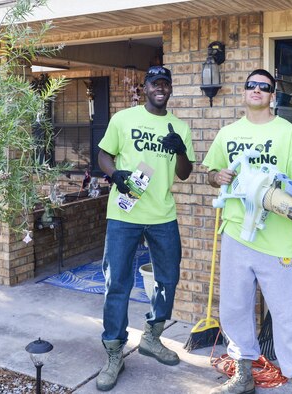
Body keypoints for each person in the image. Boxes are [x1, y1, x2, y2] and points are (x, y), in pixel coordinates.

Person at [202, 69, 292, 394]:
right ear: (243, 92)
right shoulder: (227, 133)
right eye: (251, 85)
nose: (256, 90)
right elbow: (210, 173)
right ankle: (243, 374)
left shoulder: (289, 134)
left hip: (279, 240)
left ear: (272, 96)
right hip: (237, 234)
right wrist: (217, 177)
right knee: (235, 308)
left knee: (289, 314)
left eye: (263, 87)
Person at [95, 65, 195, 391]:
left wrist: (180, 149)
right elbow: (103, 155)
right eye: (155, 83)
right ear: (145, 87)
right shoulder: (123, 119)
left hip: (162, 215)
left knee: (167, 278)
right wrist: (115, 175)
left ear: (170, 89)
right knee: (117, 282)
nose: (160, 88)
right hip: (124, 215)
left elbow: (184, 173)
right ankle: (114, 351)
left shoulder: (179, 126)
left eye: (165, 84)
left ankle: (152, 337)